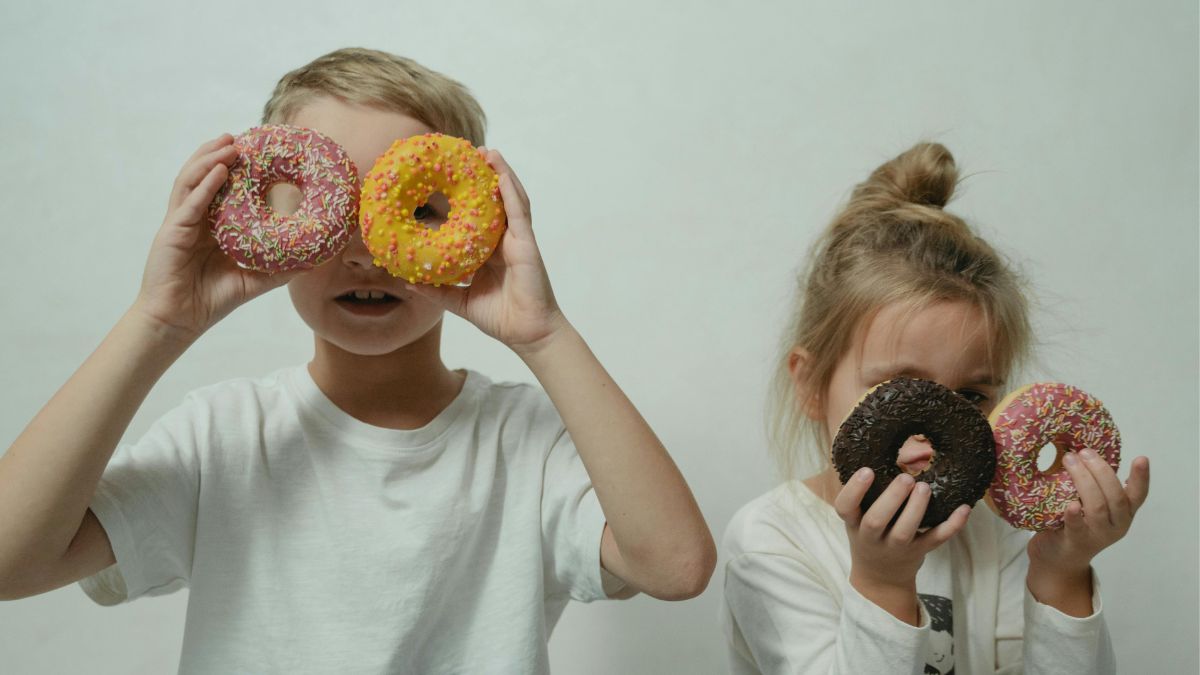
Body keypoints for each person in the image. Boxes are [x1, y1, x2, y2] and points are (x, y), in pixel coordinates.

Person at [0, 47, 715, 673]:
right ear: (261, 217)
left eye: (416, 210)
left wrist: (544, 335)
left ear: (485, 225)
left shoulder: (522, 442)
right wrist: (156, 322)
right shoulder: (226, 437)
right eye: (332, 208)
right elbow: (11, 559)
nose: (366, 252)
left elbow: (676, 566)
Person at [720, 142, 1150, 674]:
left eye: (971, 397)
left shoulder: (997, 535)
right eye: (899, 391)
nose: (937, 429)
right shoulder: (771, 541)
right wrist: (882, 582)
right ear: (810, 384)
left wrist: (1061, 573)